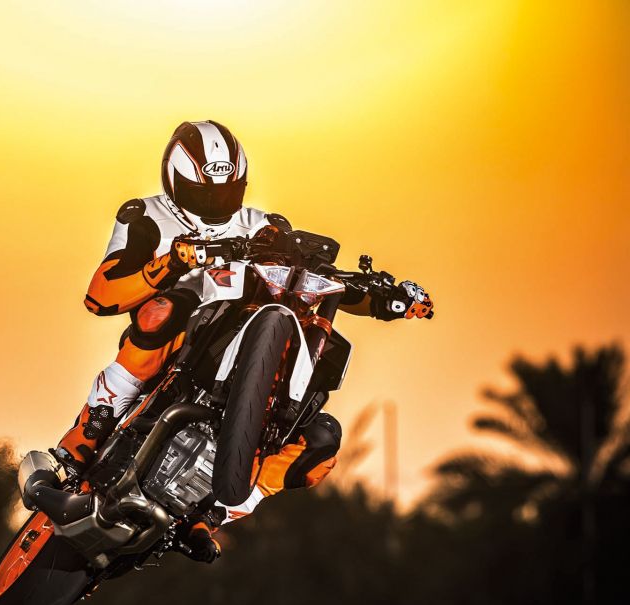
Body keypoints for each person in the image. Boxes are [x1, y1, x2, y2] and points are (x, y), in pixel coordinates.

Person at [52, 120, 433, 562]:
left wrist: (389, 299)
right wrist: (170, 263)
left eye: (226, 191)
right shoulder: (146, 217)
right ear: (176, 180)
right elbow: (100, 296)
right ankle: (89, 429)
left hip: (246, 334)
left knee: (323, 439)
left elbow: (317, 278)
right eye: (203, 193)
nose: (215, 202)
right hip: (184, 335)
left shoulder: (263, 226)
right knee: (160, 314)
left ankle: (220, 511)